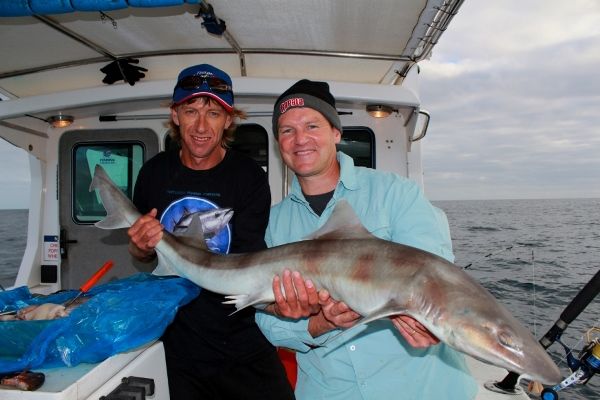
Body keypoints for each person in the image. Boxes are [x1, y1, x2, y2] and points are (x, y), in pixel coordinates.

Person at [255, 79, 477, 399]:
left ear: (336, 133)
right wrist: (318, 324)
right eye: (287, 130)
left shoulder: (397, 194)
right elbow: (266, 323)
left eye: (312, 125)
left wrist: (432, 324)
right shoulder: (274, 224)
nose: (300, 138)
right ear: (279, 144)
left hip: (421, 389)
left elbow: (435, 278)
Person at [127, 64, 295, 400]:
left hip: (240, 338)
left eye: (214, 113)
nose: (201, 126)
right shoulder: (153, 173)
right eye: (190, 111)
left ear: (228, 120)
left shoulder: (248, 177)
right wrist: (140, 248)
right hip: (177, 342)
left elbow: (246, 264)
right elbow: (144, 257)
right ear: (175, 116)